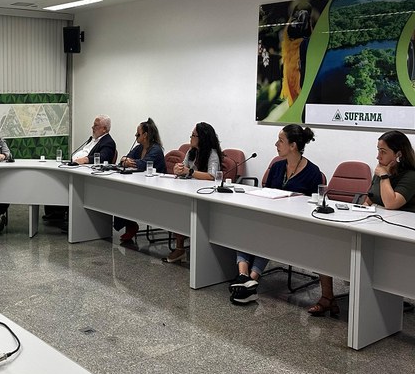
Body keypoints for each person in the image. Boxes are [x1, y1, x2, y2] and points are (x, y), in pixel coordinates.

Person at [308, 130, 415, 316]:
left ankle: (377, 297)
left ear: (398, 154)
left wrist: (384, 176)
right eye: (378, 150)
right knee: (328, 240)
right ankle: (327, 297)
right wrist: (358, 212)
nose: (378, 156)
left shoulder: (410, 175)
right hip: (377, 223)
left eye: (383, 151)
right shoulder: (381, 169)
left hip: (399, 233)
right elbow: (370, 198)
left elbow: (391, 203)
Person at [229, 124, 322, 304]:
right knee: (244, 224)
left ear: (293, 146)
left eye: (280, 141)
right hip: (270, 218)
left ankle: (251, 280)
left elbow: (314, 204)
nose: (276, 144)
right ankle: (244, 276)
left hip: (294, 225)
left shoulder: (313, 172)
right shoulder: (277, 166)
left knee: (269, 231)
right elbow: (267, 192)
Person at [165, 122, 223, 262]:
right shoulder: (191, 151)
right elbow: (183, 168)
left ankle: (183, 248)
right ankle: (180, 248)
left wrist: (189, 171)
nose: (190, 138)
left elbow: (212, 176)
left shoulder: (212, 154)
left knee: (182, 211)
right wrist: (178, 170)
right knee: (176, 209)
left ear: (202, 138)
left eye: (193, 135)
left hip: (205, 194)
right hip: (189, 190)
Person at [114, 118, 167, 242]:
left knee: (126, 195)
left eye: (138, 134)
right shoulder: (139, 148)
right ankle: (130, 224)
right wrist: (126, 161)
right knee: (119, 191)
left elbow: (143, 165)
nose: (135, 135)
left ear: (145, 135)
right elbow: (124, 159)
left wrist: (129, 162)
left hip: (156, 188)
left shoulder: (156, 149)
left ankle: (131, 225)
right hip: (141, 183)